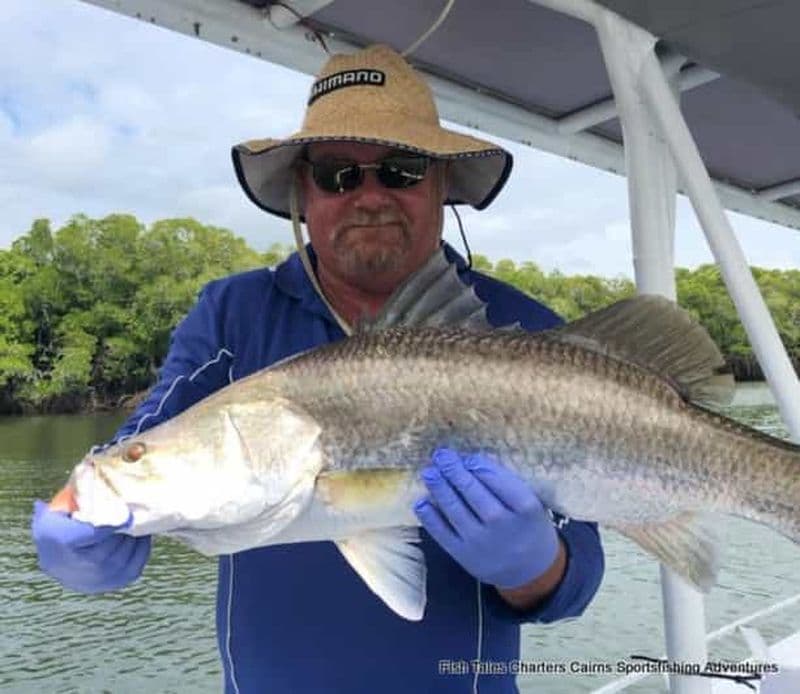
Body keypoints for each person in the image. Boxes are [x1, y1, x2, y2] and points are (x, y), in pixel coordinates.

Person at [32, 44, 604, 693]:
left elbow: (577, 579)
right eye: (337, 174)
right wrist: (80, 526)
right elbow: (154, 430)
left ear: (442, 183)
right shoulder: (233, 313)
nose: (369, 196)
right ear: (303, 189)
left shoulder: (521, 328)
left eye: (402, 168)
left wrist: (533, 565)